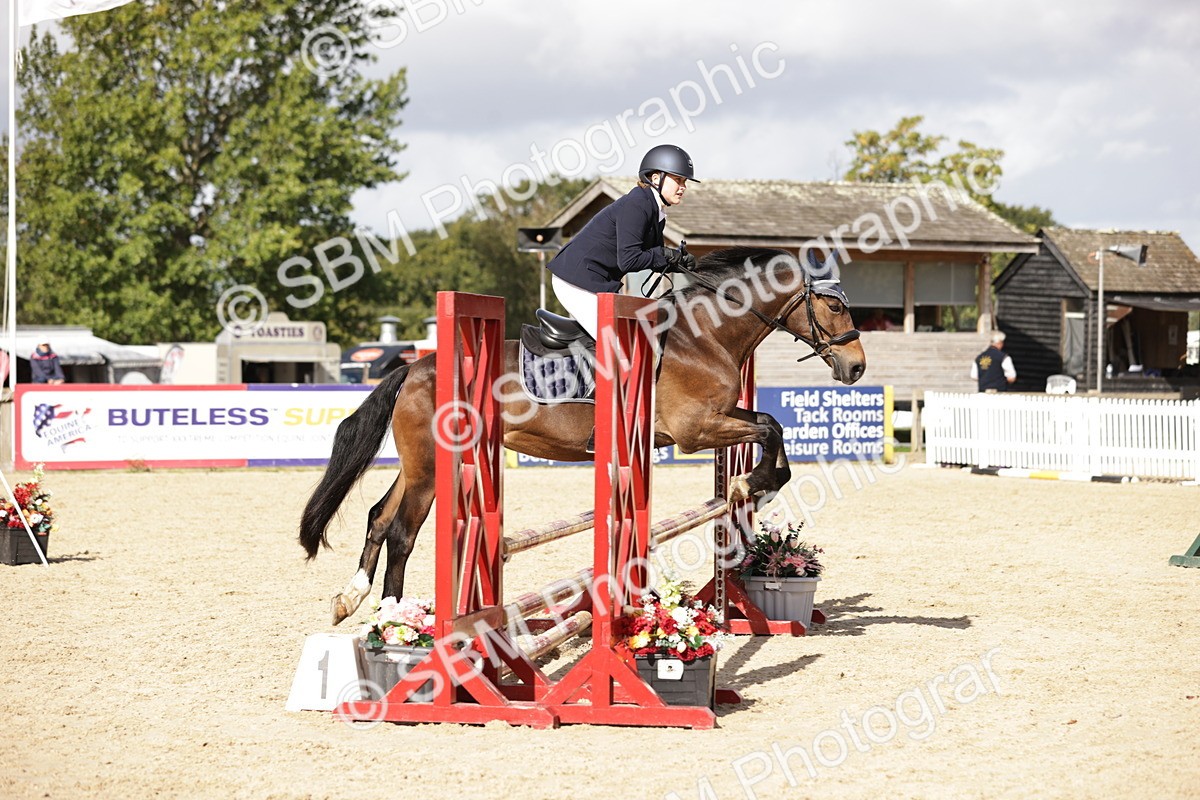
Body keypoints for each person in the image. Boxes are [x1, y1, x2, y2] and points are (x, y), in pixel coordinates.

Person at [547, 144, 698, 340]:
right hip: (576, 281)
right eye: (678, 180)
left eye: (684, 181)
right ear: (655, 178)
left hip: (597, 282)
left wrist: (677, 262)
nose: (683, 187)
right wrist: (664, 254)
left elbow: (652, 257)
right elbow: (629, 260)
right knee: (617, 344)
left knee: (632, 338)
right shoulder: (637, 204)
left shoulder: (655, 210)